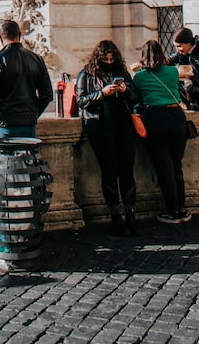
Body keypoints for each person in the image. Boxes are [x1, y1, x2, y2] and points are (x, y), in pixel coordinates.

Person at [76, 40, 139, 236]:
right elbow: (81, 100)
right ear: (98, 58)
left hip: (123, 125)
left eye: (112, 59)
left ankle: (131, 214)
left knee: (127, 170)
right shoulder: (85, 74)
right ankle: (116, 217)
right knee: (110, 171)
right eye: (106, 59)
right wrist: (101, 94)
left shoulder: (122, 71)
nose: (109, 62)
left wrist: (125, 90)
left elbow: (136, 96)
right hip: (100, 126)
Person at [132, 40, 190, 225]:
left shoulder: (139, 77)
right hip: (176, 117)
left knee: (163, 167)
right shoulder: (173, 71)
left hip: (154, 118)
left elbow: (137, 99)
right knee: (176, 165)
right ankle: (182, 208)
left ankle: (172, 210)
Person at [0, 19, 53, 138]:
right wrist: (33, 114)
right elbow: (47, 95)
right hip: (29, 123)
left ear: (0, 37)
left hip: (4, 123)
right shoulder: (36, 59)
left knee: (3, 156)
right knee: (28, 156)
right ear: (19, 35)